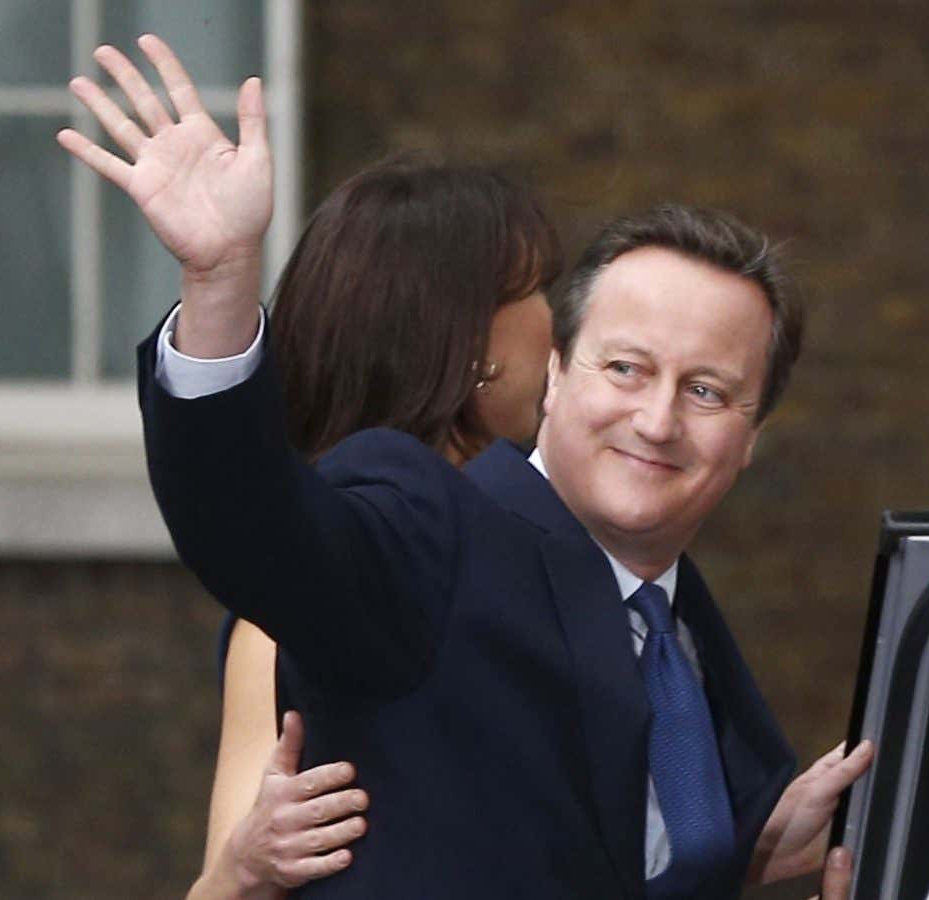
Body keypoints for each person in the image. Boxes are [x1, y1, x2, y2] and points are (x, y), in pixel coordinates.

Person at [65, 34, 870, 900]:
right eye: (626, 369)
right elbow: (251, 526)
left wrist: (740, 855)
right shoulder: (430, 526)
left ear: (752, 435)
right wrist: (219, 284)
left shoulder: (681, 627)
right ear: (558, 372)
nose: (658, 420)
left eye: (708, 391)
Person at [60, 40, 562, 899]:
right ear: (470, 342)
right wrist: (245, 868)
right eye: (544, 287)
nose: (562, 319)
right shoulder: (334, 588)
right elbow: (219, 888)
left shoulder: (551, 531)